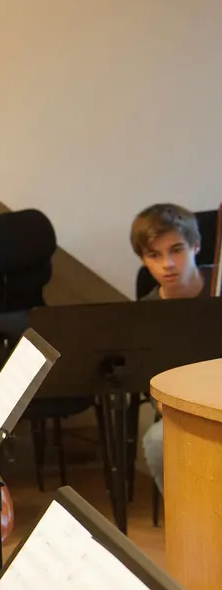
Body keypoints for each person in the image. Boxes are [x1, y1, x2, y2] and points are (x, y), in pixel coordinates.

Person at [130, 203, 212, 494]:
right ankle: (190, 518)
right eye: (154, 255)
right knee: (156, 441)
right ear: (144, 260)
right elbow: (157, 394)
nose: (167, 264)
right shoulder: (146, 315)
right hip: (187, 412)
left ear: (195, 246)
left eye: (176, 250)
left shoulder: (218, 284)